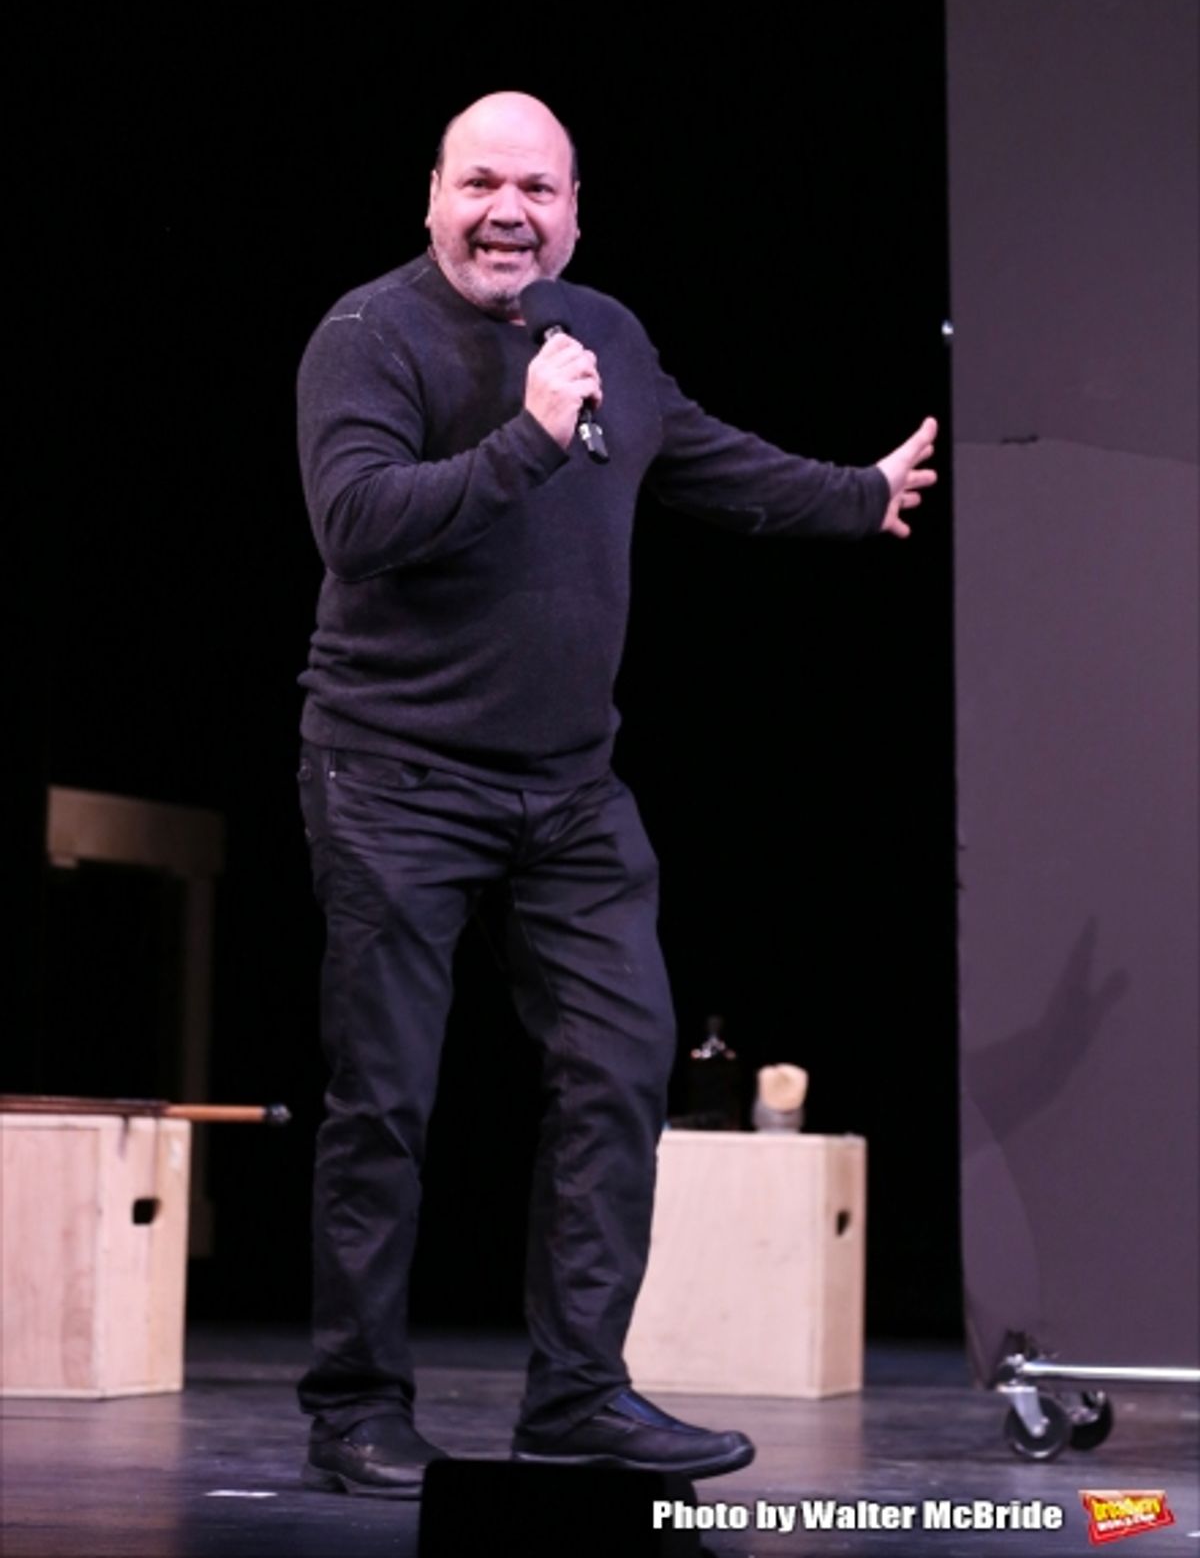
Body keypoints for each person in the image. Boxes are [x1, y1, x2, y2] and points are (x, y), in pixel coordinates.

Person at [295, 90, 937, 1499]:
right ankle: (354, 1405)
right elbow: (354, 520)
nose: (506, 211)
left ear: (576, 210)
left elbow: (695, 452)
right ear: (432, 197)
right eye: (480, 184)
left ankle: (577, 1394)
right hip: (395, 771)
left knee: (618, 1064)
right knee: (386, 1098)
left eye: (536, 187)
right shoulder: (368, 336)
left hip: (566, 787)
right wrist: (524, 441)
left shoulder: (611, 339)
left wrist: (854, 492)